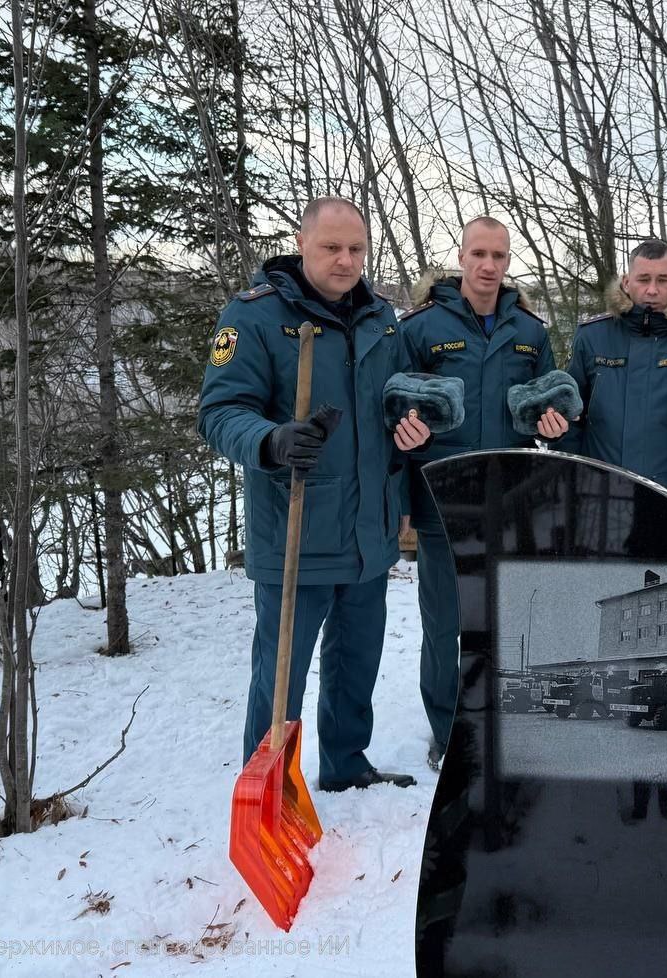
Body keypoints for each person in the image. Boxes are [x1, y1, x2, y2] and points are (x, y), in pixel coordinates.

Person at [198, 196, 430, 790]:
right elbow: (220, 412)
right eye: (331, 247)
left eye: (356, 249)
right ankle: (269, 787)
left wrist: (412, 425)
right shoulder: (254, 316)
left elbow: (400, 397)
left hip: (369, 531)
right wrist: (270, 440)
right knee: (281, 677)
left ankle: (346, 766)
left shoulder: (381, 317)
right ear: (302, 244)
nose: (345, 260)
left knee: (357, 663)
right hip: (296, 529)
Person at [399, 216, 566, 770]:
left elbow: (548, 401)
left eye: (498, 255)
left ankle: (499, 719)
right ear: (462, 257)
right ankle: (448, 731)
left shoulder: (531, 332)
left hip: (509, 495)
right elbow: (394, 408)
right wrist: (403, 483)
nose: (488, 266)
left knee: (502, 619)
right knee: (444, 622)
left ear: (508, 260)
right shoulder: (421, 327)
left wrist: (551, 423)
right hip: (442, 495)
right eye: (479, 254)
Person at [563, 240, 667, 515]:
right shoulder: (592, 336)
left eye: (662, 280)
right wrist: (567, 479)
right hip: (599, 497)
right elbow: (569, 417)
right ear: (627, 282)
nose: (652, 290)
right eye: (643, 279)